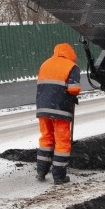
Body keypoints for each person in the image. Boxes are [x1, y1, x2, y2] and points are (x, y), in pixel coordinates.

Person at [35, 43, 82, 185]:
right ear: (70, 53)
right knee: (62, 142)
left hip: (43, 107)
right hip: (60, 108)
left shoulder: (45, 64)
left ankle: (41, 171)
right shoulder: (71, 66)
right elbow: (74, 89)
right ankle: (59, 176)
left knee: (46, 139)